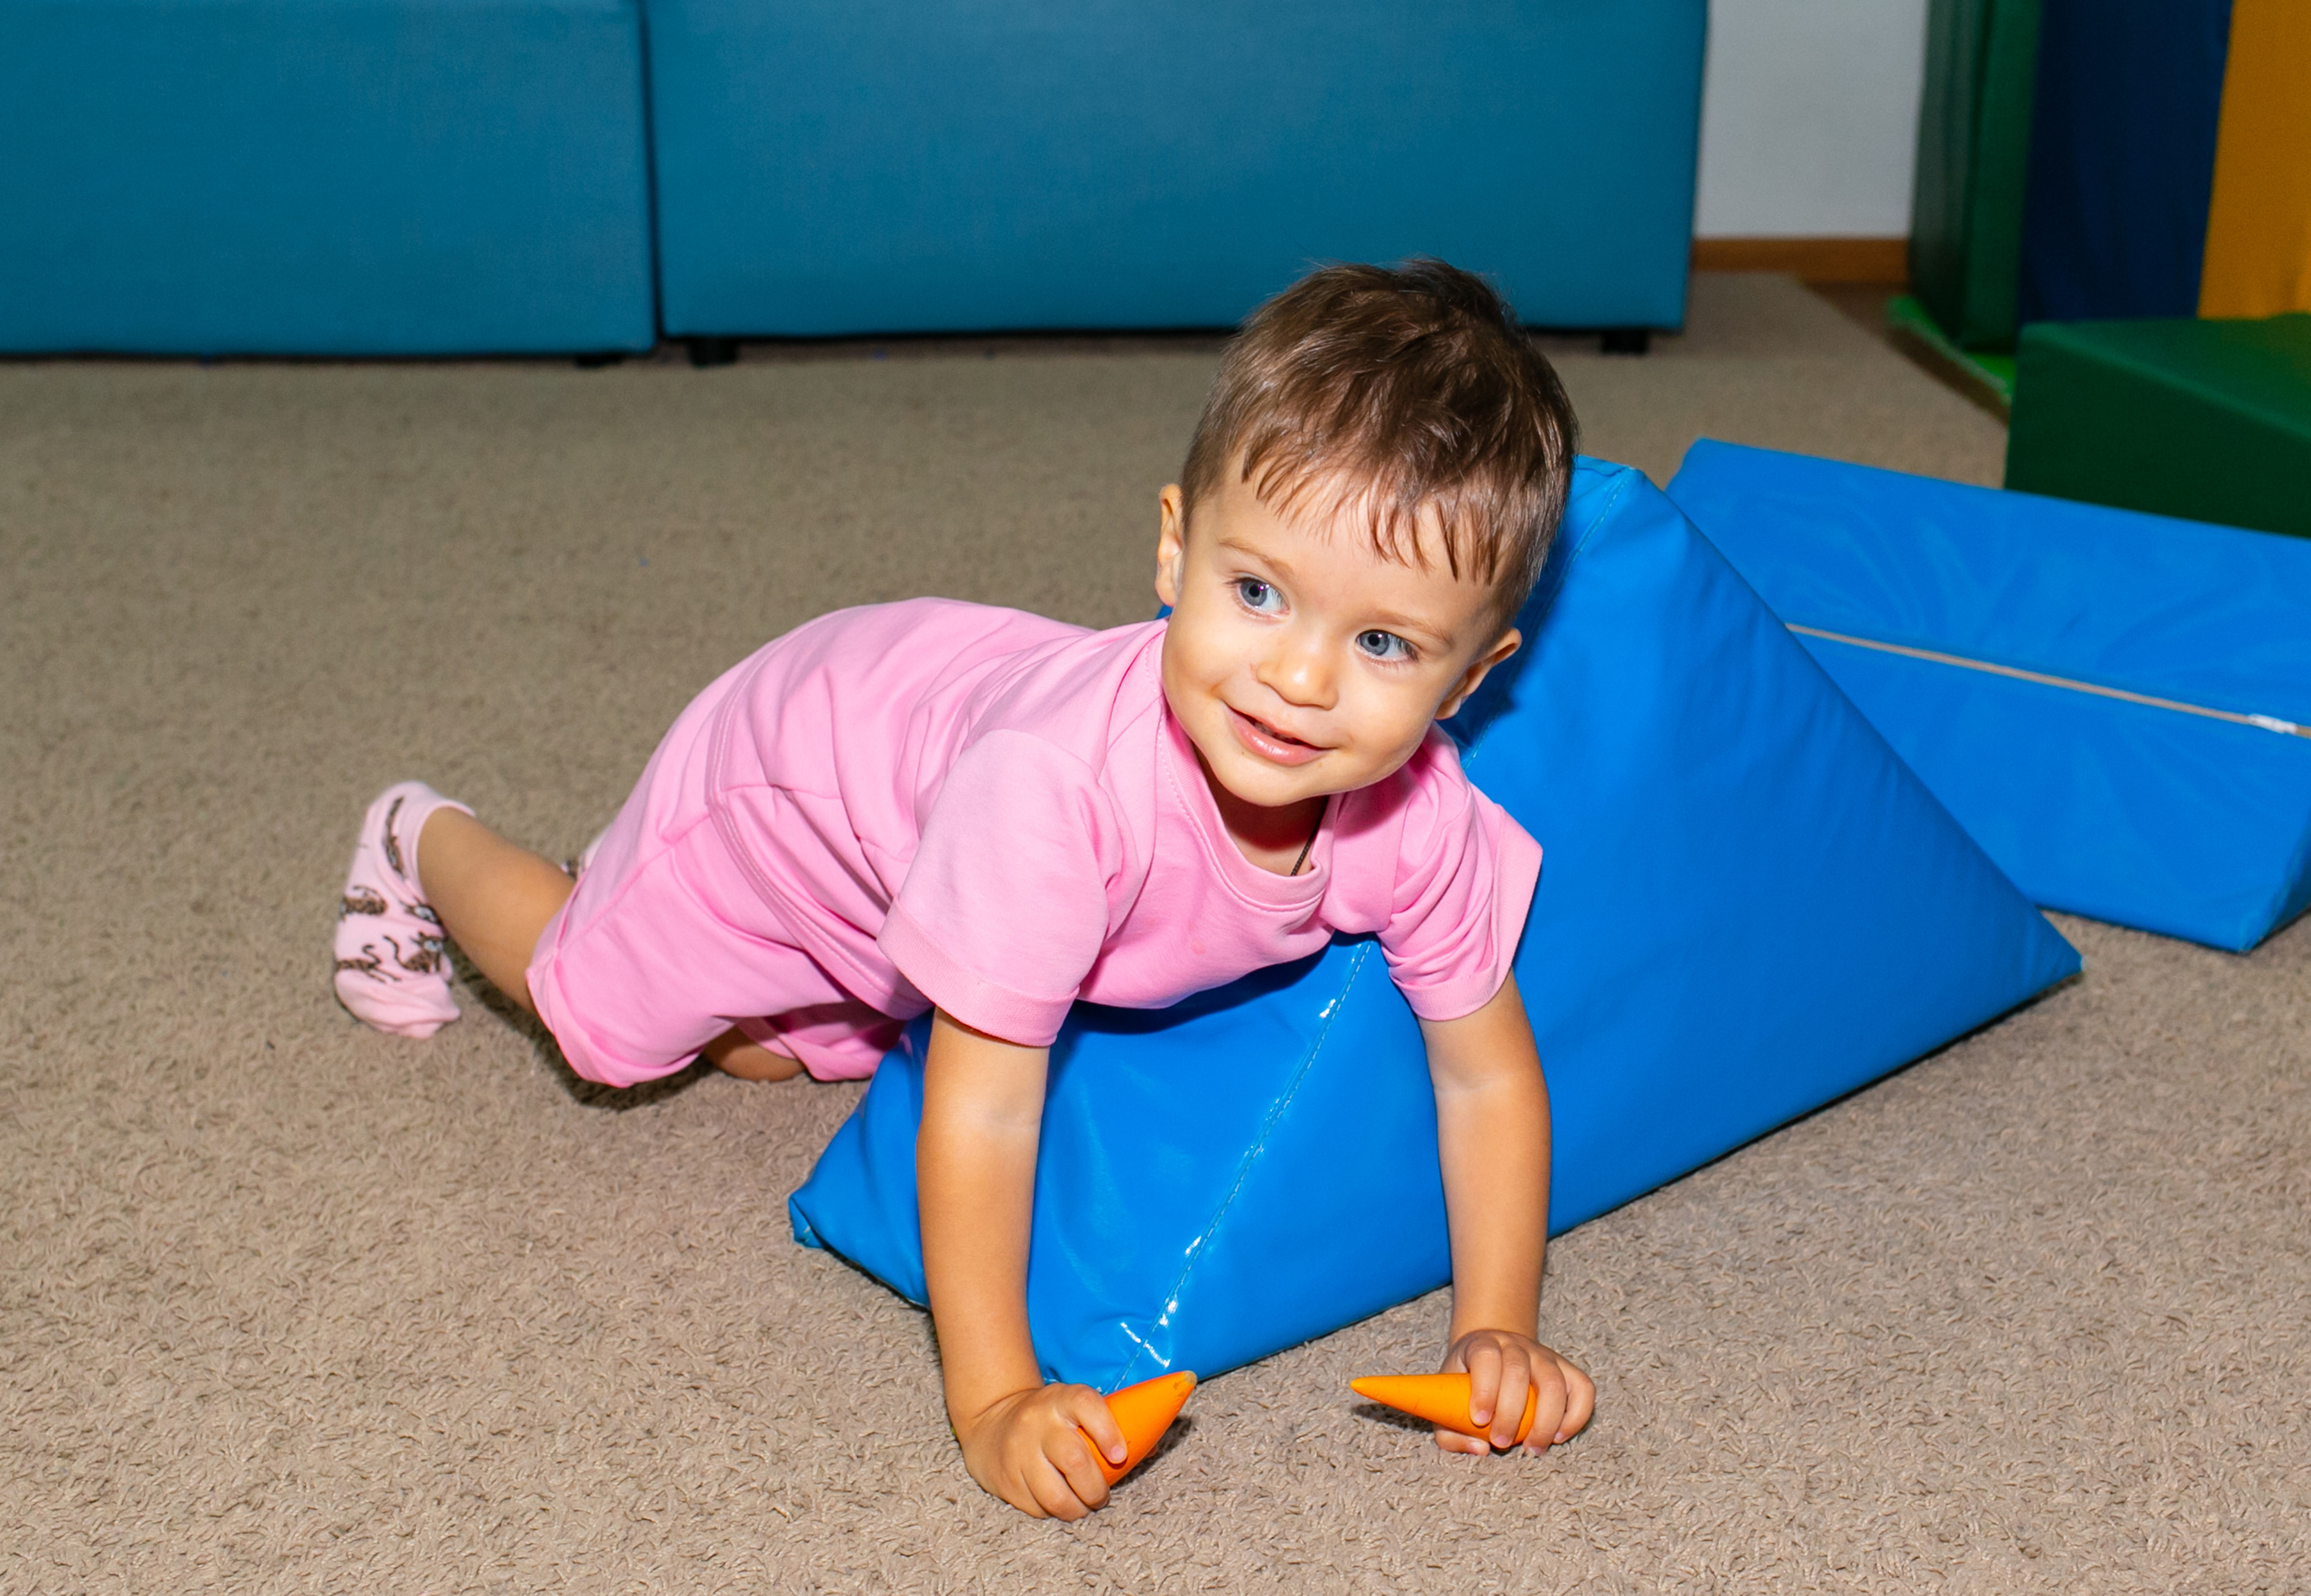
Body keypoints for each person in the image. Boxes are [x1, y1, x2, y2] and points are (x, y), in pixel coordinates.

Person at [332, 258, 1597, 1518]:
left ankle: (664, 918)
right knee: (607, 1028)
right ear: (1174, 548)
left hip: (924, 795)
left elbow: (1483, 1071)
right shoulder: (1052, 799)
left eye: (1381, 642)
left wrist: (1499, 1328)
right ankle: (427, 842)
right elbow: (984, 1114)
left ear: (1472, 676)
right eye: (1256, 592)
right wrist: (990, 1402)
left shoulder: (1424, 817)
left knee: (779, 1056)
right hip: (790, 785)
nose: (1301, 678)